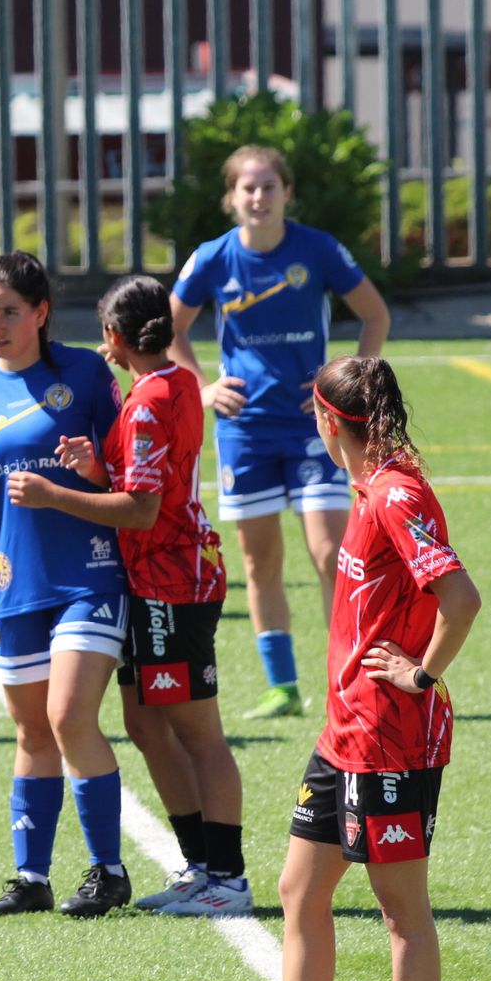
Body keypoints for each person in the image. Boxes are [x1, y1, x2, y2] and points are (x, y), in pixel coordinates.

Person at [13, 275, 252, 916]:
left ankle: (228, 878)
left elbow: (143, 510)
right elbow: (150, 481)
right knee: (144, 725)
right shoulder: (175, 383)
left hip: (173, 583)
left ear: (114, 335)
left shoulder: (147, 402)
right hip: (153, 581)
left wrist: (55, 494)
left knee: (199, 733)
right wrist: (97, 469)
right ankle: (198, 865)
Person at [273, 355, 481, 981]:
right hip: (343, 733)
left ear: (330, 421)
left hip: (389, 737)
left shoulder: (395, 495)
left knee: (401, 913)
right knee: (299, 889)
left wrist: (421, 674)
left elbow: (461, 599)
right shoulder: (370, 489)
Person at [0, 252, 132, 919]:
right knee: (31, 731)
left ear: (41, 313)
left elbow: (130, 474)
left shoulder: (85, 373)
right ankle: (31, 877)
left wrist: (92, 467)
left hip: (89, 574)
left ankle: (108, 870)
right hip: (13, 584)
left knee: (68, 715)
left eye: (9, 311)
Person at [170, 145, 391, 720]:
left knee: (331, 552)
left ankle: (351, 678)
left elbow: (375, 314)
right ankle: (283, 687)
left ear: (287, 193)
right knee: (259, 561)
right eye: (248, 187)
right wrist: (201, 388)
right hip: (244, 431)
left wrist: (349, 382)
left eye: (269, 186)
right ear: (231, 197)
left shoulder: (317, 249)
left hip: (315, 426)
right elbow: (169, 328)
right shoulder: (214, 257)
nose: (259, 197)